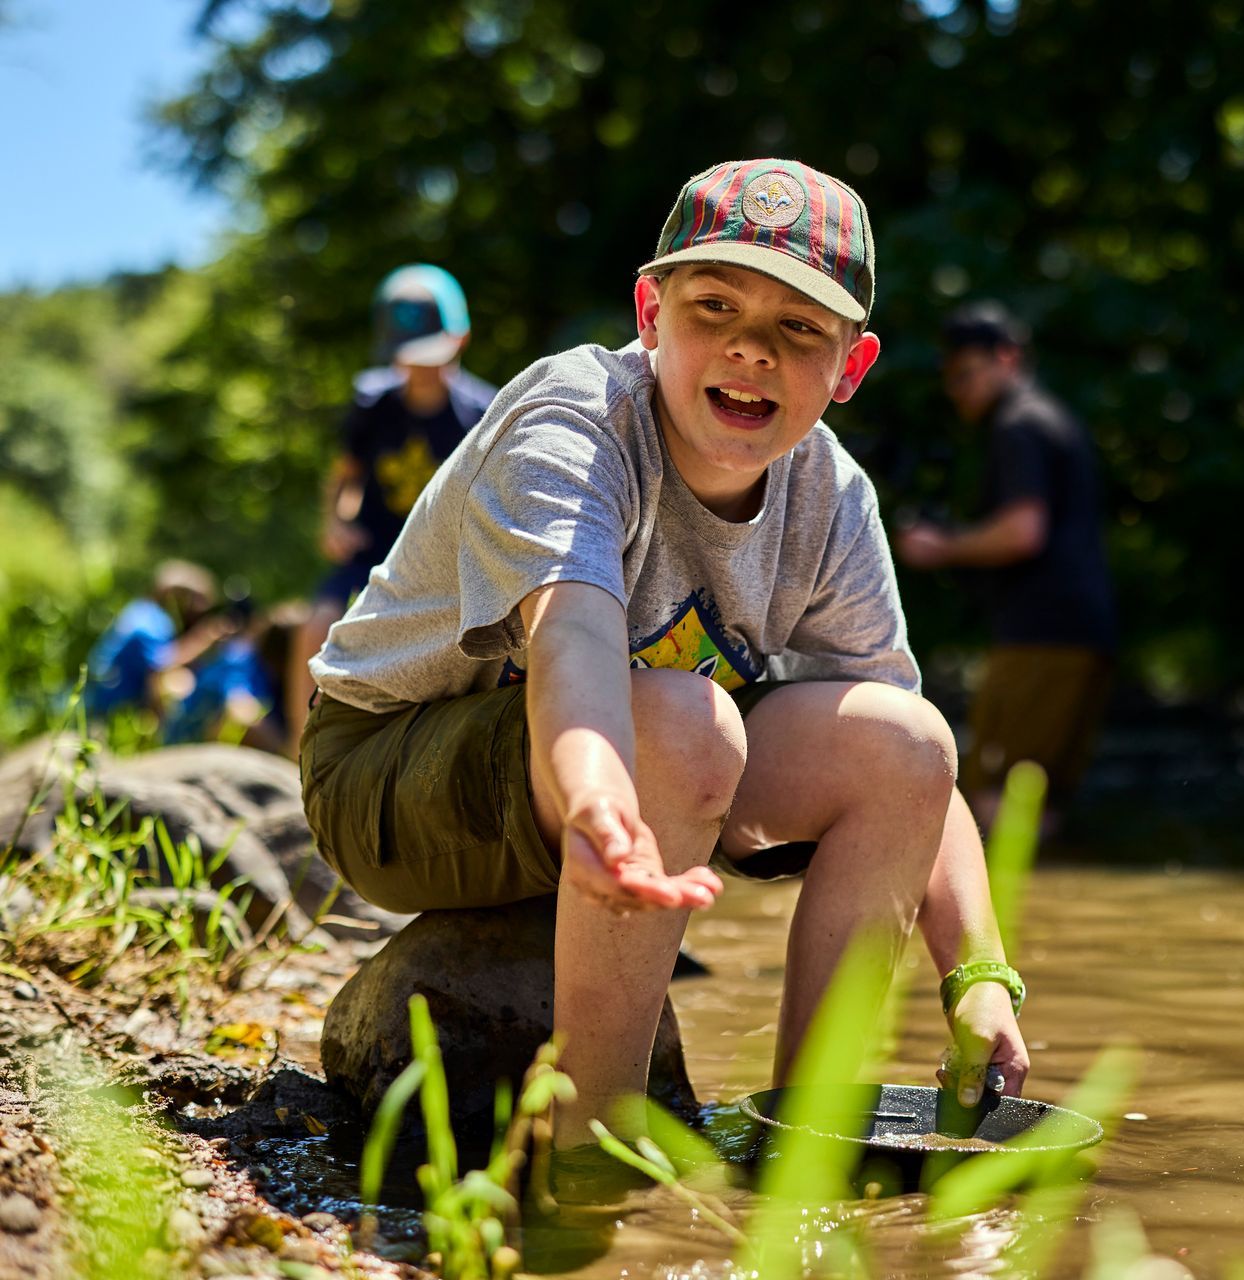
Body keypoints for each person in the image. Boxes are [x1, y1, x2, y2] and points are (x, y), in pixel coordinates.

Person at [299, 159, 1028, 1162]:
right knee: (690, 723)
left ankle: (803, 1142)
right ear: (650, 312)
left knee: (904, 739)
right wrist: (596, 797)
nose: (750, 348)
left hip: (627, 772)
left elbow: (920, 781)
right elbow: (573, 632)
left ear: (850, 369)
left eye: (798, 328)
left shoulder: (833, 497)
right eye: (714, 305)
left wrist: (977, 976)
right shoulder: (574, 419)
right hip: (388, 769)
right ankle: (591, 1152)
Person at [894, 302, 1118, 827]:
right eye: (950, 377)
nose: (958, 389)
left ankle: (992, 911)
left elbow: (1023, 531)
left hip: (1043, 635)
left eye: (967, 373)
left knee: (995, 793)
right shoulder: (1048, 417)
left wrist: (940, 546)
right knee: (1036, 798)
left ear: (1008, 358)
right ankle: (1040, 908)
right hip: (1077, 632)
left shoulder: (1018, 424)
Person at [284, 264, 496, 750]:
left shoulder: (481, 412)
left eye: (431, 356)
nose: (420, 368)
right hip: (374, 550)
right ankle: (301, 749)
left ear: (459, 340)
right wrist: (335, 523)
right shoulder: (372, 404)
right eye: (410, 358)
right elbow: (344, 478)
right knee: (315, 625)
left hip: (442, 561)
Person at [83, 559, 230, 727]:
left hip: (103, 699)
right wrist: (205, 639)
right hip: (110, 707)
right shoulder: (153, 623)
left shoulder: (141, 610)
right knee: (179, 683)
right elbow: (161, 668)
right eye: (196, 601)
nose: (198, 609)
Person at [164, 600, 310, 754]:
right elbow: (241, 714)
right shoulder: (240, 661)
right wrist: (291, 753)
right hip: (185, 744)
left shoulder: (268, 667)